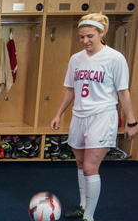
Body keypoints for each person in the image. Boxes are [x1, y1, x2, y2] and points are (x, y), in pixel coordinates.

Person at [51, 13, 137, 221]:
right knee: (80, 164)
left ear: (102, 32)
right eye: (81, 37)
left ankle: (89, 217)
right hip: (79, 117)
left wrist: (132, 122)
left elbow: (123, 92)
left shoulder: (115, 58)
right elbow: (70, 90)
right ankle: (82, 206)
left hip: (102, 116)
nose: (85, 41)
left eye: (89, 36)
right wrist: (58, 114)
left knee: (90, 167)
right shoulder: (76, 59)